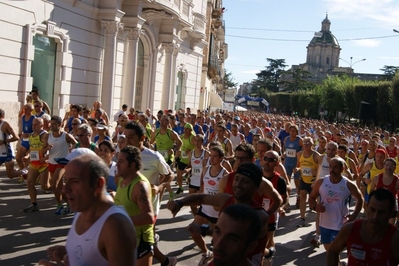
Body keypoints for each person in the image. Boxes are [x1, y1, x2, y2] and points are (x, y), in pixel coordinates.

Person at [38, 153, 137, 266]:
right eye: (66, 180)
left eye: (75, 181)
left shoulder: (115, 226)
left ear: (98, 184)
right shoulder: (82, 210)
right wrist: (70, 252)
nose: (65, 188)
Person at [167, 163, 269, 266]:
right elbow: (201, 198)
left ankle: (269, 253)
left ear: (256, 187)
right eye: (237, 179)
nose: (238, 184)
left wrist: (203, 230)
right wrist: (180, 203)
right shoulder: (225, 199)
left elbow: (235, 240)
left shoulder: (259, 216)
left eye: (245, 181)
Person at [123, 121, 177, 266]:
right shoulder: (122, 155)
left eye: (131, 137)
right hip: (127, 206)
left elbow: (170, 174)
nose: (127, 141)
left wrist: (160, 187)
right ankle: (166, 260)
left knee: (141, 243)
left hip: (148, 208)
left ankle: (165, 260)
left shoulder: (154, 157)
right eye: (125, 137)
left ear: (142, 139)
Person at [327, 189, 399, 266]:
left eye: (382, 212)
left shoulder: (396, 239)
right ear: (366, 207)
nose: (375, 217)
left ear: (392, 214)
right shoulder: (350, 229)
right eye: (372, 210)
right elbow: (332, 251)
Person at [309, 157, 364, 251]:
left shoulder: (348, 184)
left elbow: (360, 199)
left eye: (335, 167)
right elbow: (311, 198)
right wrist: (315, 206)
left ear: (342, 169)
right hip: (324, 224)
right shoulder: (321, 182)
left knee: (333, 251)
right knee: (329, 251)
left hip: (340, 225)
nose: (332, 170)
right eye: (330, 167)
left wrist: (354, 215)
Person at [114, 146, 155, 266]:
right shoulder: (122, 180)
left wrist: (120, 221)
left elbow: (149, 217)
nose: (117, 165)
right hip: (124, 239)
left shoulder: (140, 186)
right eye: (117, 161)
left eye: (121, 162)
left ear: (132, 165)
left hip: (140, 242)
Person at [47, 116, 77, 215]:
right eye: (51, 124)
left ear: (60, 125)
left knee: (53, 183)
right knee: (60, 187)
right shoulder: (48, 136)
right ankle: (69, 203)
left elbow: (77, 144)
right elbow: (43, 149)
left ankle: (59, 204)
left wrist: (71, 151)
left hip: (62, 163)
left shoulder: (66, 136)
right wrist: (46, 149)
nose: (51, 126)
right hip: (51, 162)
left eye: (54, 124)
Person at [24, 117, 51, 213]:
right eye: (32, 124)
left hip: (44, 165)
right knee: (29, 183)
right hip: (34, 164)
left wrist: (46, 157)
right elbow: (31, 149)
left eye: (36, 124)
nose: (33, 126)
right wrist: (27, 156)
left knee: (45, 187)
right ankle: (33, 204)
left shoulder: (45, 135)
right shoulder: (31, 136)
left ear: (42, 125)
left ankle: (59, 188)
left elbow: (50, 149)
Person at [295, 137, 320, 227]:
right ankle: (302, 218)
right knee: (302, 196)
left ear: (312, 144)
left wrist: (316, 172)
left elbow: (322, 170)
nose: (306, 145)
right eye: (304, 143)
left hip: (313, 181)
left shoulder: (316, 155)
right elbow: (299, 165)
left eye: (308, 143)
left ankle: (320, 217)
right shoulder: (299, 154)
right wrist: (297, 169)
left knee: (315, 199)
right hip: (303, 179)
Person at [370, 157, 399, 225]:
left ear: (395, 168)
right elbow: (371, 192)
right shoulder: (377, 178)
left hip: (391, 208)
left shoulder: (397, 181)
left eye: (391, 166)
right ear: (384, 166)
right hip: (378, 207)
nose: (389, 168)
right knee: (377, 226)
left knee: (390, 228)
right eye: (387, 165)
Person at [0, 108, 25, 179]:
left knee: (10, 175)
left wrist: (4, 141)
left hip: (7, 153)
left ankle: (26, 172)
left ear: (2, 116)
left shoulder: (5, 124)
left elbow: (16, 137)